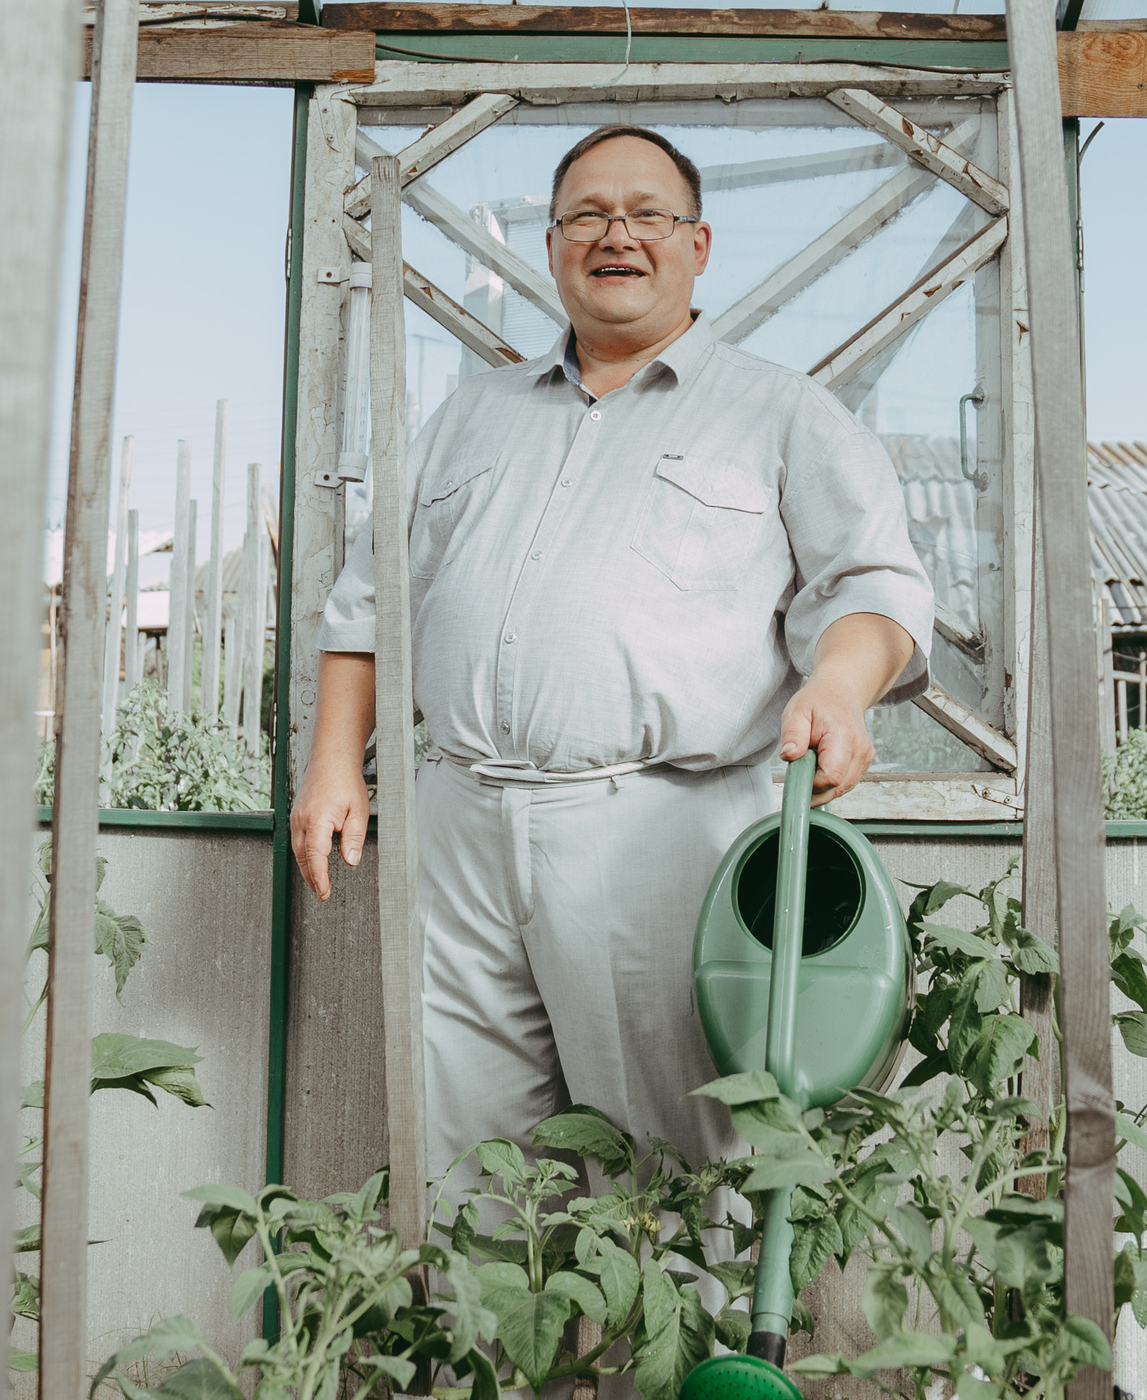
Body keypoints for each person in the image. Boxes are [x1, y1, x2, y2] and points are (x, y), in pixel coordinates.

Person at [292, 122, 932, 1186]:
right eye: (586, 214)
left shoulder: (781, 415)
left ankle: (679, 1360)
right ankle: (484, 1354)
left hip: (653, 830)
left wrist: (840, 684)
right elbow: (370, 605)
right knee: (461, 1165)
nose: (615, 234)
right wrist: (330, 764)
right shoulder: (470, 415)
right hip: (456, 824)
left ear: (699, 245)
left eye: (647, 214)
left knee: (672, 1168)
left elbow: (872, 588)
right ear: (550, 248)